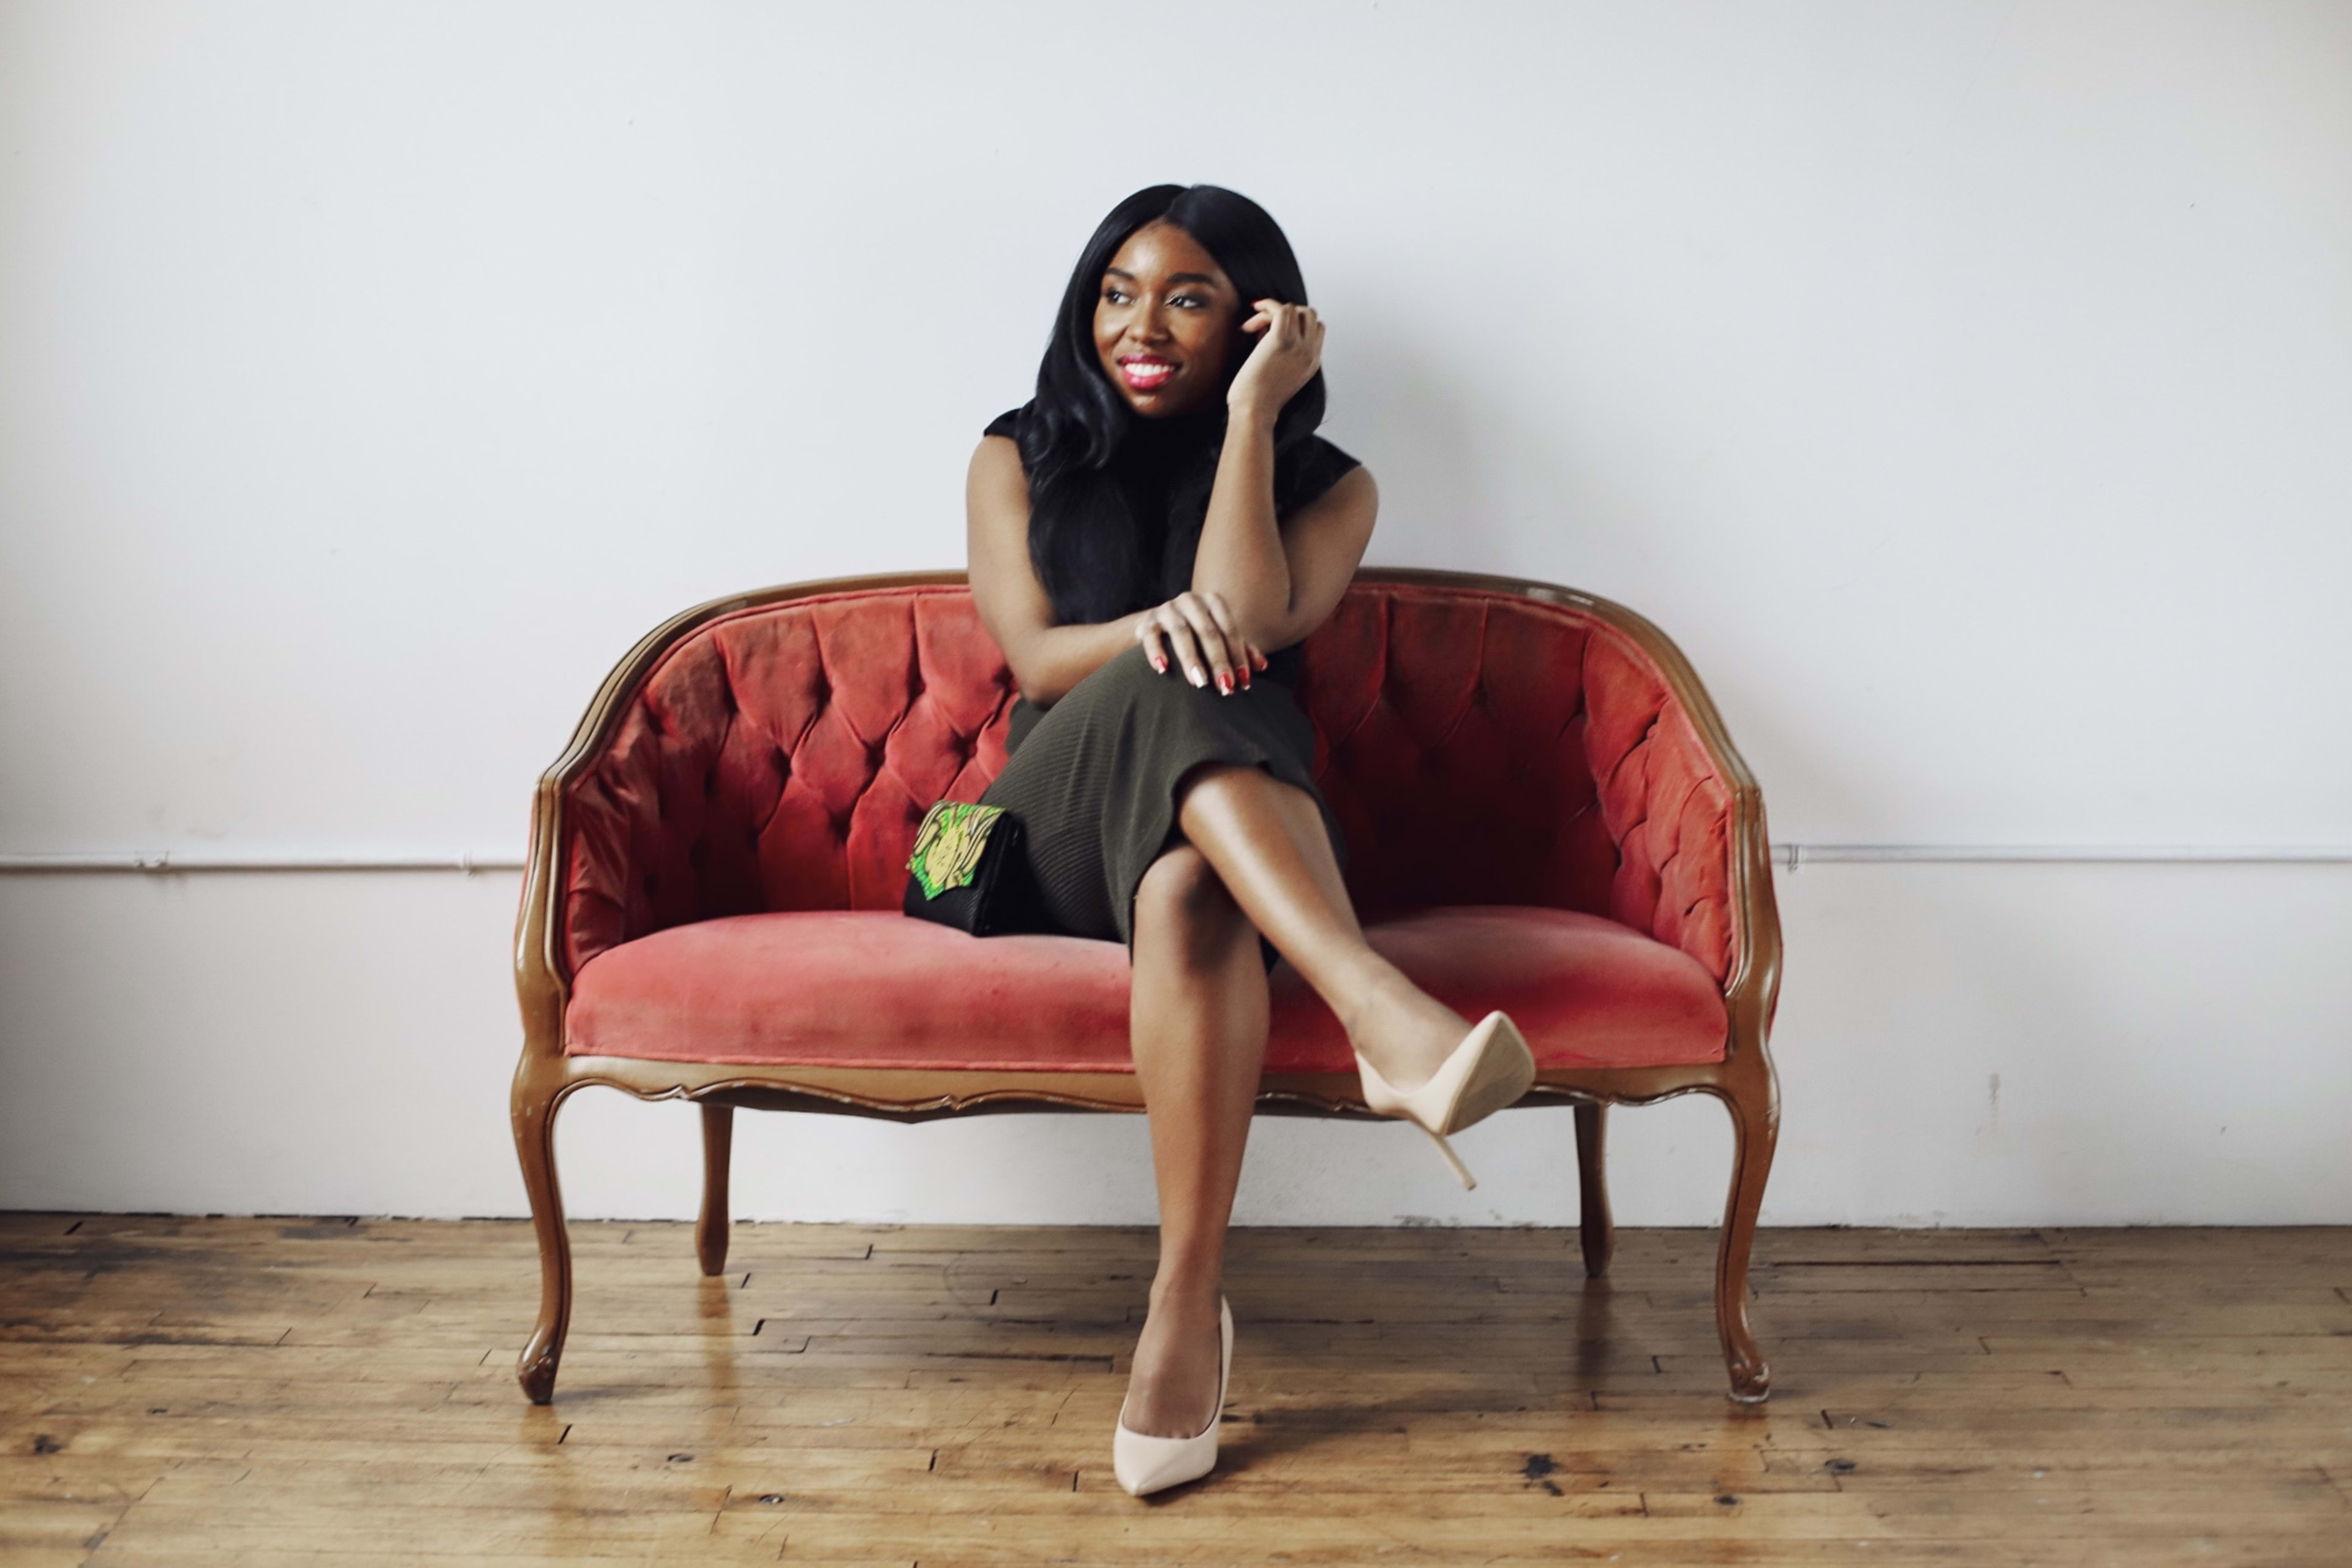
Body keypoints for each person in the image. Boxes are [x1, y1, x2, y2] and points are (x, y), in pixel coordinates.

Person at [965, 184, 1534, 1497]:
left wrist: (1252, 419)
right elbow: (1042, 653)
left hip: (1212, 837)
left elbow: (1254, 611)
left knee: (1191, 898)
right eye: (1116, 290)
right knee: (1188, 663)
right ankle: (1380, 1009)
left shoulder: (1331, 487)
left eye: (1187, 295)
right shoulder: (1015, 452)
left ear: (1260, 319)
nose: (1139, 323)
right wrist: (1167, 627)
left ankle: (1184, 1302)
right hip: (1022, 836)